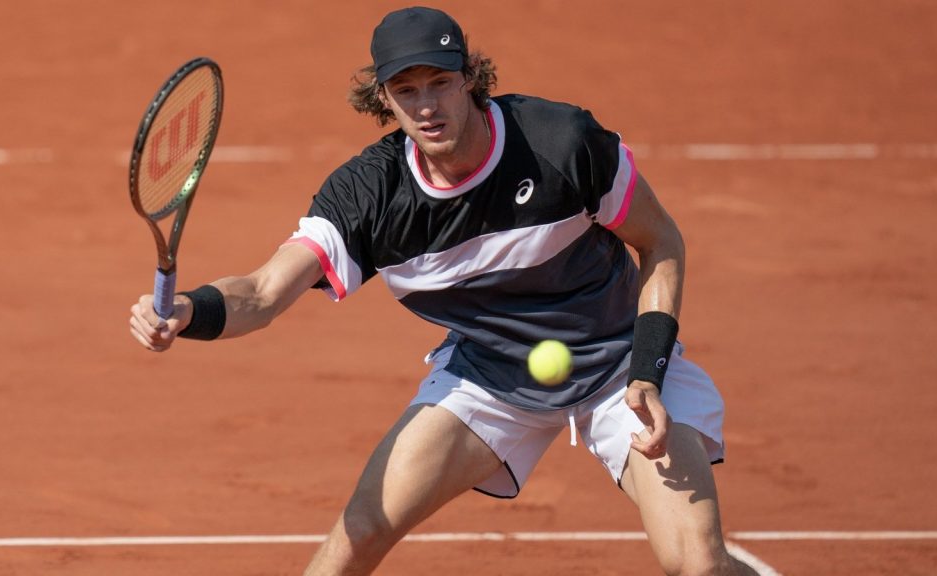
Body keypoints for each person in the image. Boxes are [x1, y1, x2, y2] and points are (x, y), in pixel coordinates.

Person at [129, 7, 757, 575]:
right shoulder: (368, 197)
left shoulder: (562, 144)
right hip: (490, 377)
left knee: (699, 565)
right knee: (361, 530)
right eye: (406, 90)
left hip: (623, 364)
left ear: (470, 79)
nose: (426, 105)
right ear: (384, 99)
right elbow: (264, 291)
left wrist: (648, 370)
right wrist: (190, 311)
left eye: (440, 83)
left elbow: (661, 242)